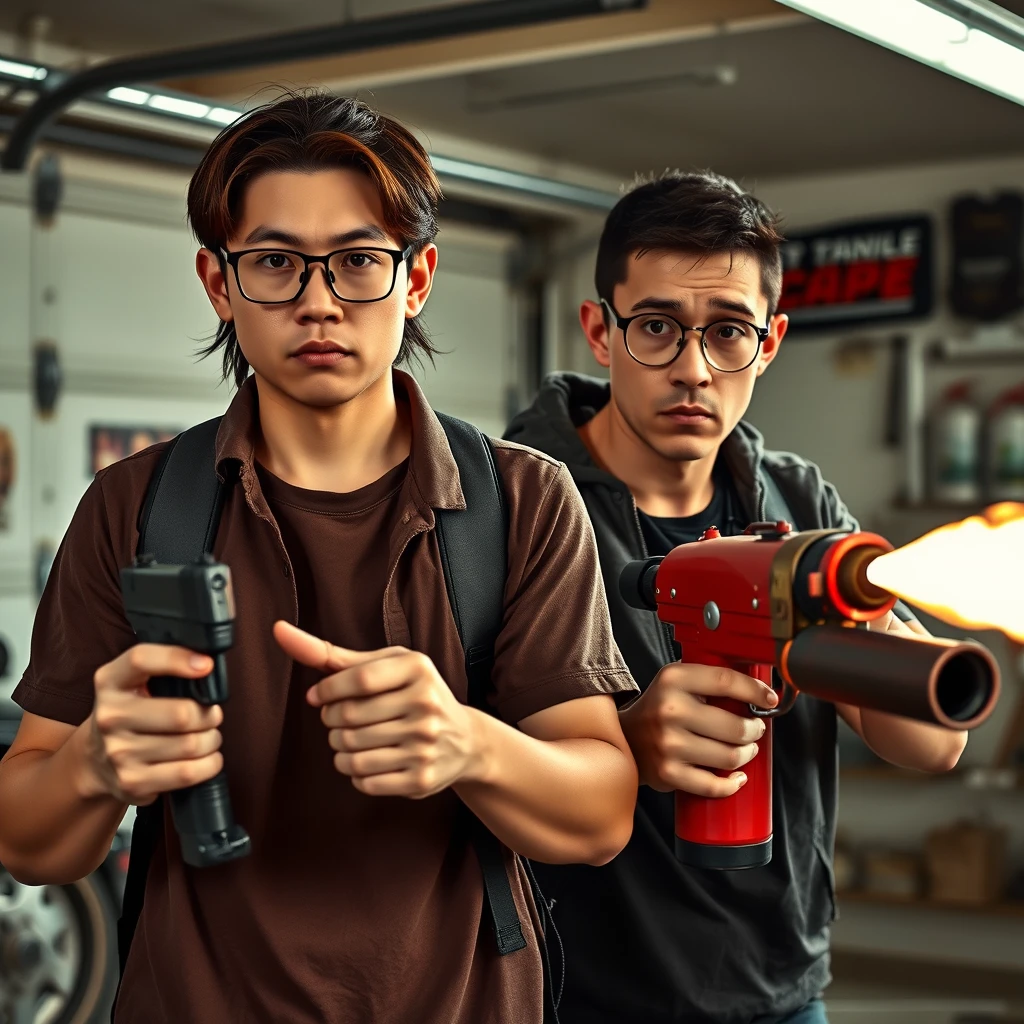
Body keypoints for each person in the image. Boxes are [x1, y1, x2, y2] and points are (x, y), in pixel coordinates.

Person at [0, 92, 640, 1024]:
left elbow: (601, 815)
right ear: (219, 284)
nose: (317, 302)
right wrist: (94, 765)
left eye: (356, 263)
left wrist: (469, 743)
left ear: (415, 278)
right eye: (273, 263)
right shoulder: (133, 507)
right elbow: (26, 841)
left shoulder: (522, 500)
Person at [505, 171, 968, 1024]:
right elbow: (462, 760)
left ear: (771, 340)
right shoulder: (512, 503)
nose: (692, 369)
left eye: (727, 333)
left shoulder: (799, 505)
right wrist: (624, 748)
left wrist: (854, 614)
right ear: (598, 331)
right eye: (656, 328)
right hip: (575, 998)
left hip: (781, 992)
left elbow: (932, 747)